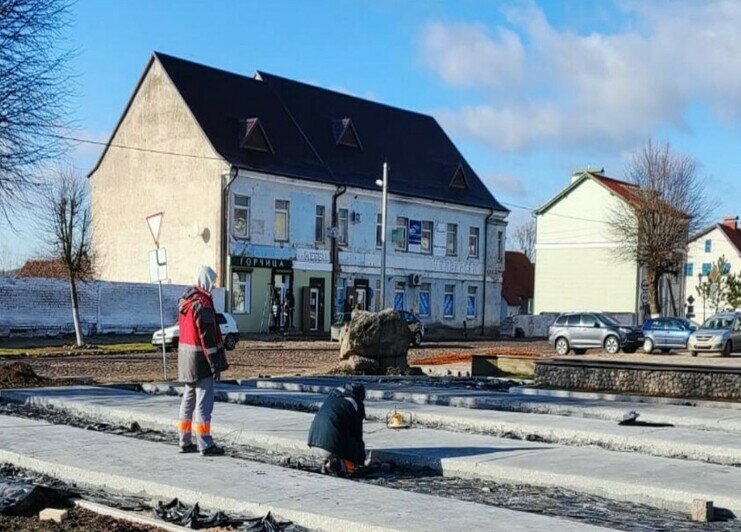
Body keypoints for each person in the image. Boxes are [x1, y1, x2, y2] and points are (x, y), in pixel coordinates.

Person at [177, 265, 229, 456]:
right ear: (206, 280)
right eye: (212, 282)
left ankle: (184, 440)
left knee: (188, 400)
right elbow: (207, 338)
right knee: (203, 403)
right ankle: (205, 443)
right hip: (201, 360)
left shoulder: (186, 301)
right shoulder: (202, 304)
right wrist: (215, 364)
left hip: (185, 359)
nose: (214, 286)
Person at [307, 383, 366, 475]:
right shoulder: (356, 403)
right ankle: (340, 465)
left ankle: (327, 462)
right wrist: (361, 461)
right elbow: (357, 434)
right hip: (329, 450)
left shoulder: (331, 399)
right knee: (354, 445)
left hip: (313, 444)